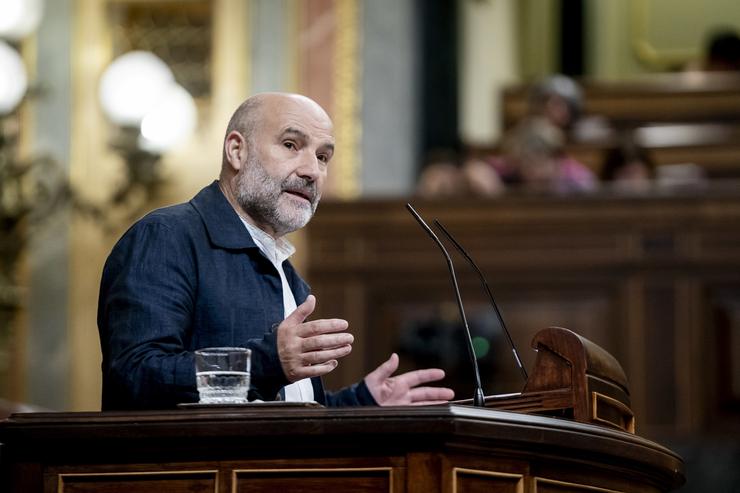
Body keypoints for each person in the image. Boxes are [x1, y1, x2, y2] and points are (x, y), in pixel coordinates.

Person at [98, 92, 455, 410]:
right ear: (237, 151)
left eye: (323, 157)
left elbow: (282, 410)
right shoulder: (167, 236)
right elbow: (136, 375)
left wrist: (361, 401)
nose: (312, 171)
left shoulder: (285, 272)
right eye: (290, 145)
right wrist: (267, 363)